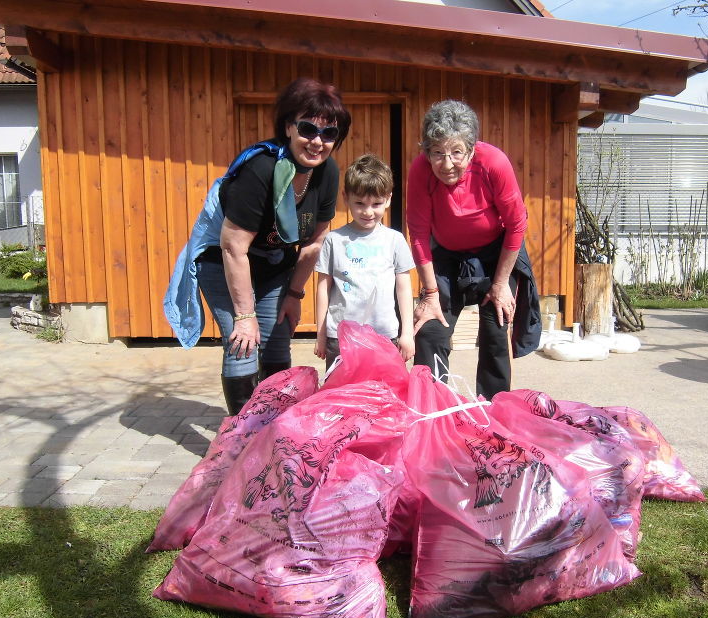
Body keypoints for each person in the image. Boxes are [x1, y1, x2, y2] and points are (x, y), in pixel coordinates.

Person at [164, 78, 351, 415]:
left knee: (278, 334)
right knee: (244, 342)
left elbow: (314, 242)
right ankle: (241, 436)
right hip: (224, 263)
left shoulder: (327, 172)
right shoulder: (260, 169)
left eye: (329, 134)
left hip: (274, 261)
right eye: (308, 129)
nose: (317, 142)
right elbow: (234, 247)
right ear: (289, 127)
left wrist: (294, 296)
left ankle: (273, 429)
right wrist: (245, 315)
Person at [406, 100, 541, 400]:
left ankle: (494, 411)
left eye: (456, 152)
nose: (447, 163)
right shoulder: (420, 171)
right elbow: (417, 233)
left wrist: (501, 283)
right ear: (427, 152)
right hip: (446, 254)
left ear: (471, 149)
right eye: (437, 153)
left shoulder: (493, 162)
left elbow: (517, 224)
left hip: (497, 254)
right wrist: (430, 296)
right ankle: (431, 408)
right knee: (431, 329)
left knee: (496, 327)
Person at [314, 154, 415, 369]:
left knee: (383, 394)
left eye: (376, 203)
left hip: (384, 335)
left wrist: (407, 333)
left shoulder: (395, 240)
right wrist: (321, 334)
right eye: (359, 203)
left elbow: (404, 289)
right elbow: (323, 287)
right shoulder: (334, 240)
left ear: (388, 199)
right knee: (342, 394)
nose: (368, 212)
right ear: (346, 197)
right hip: (340, 337)